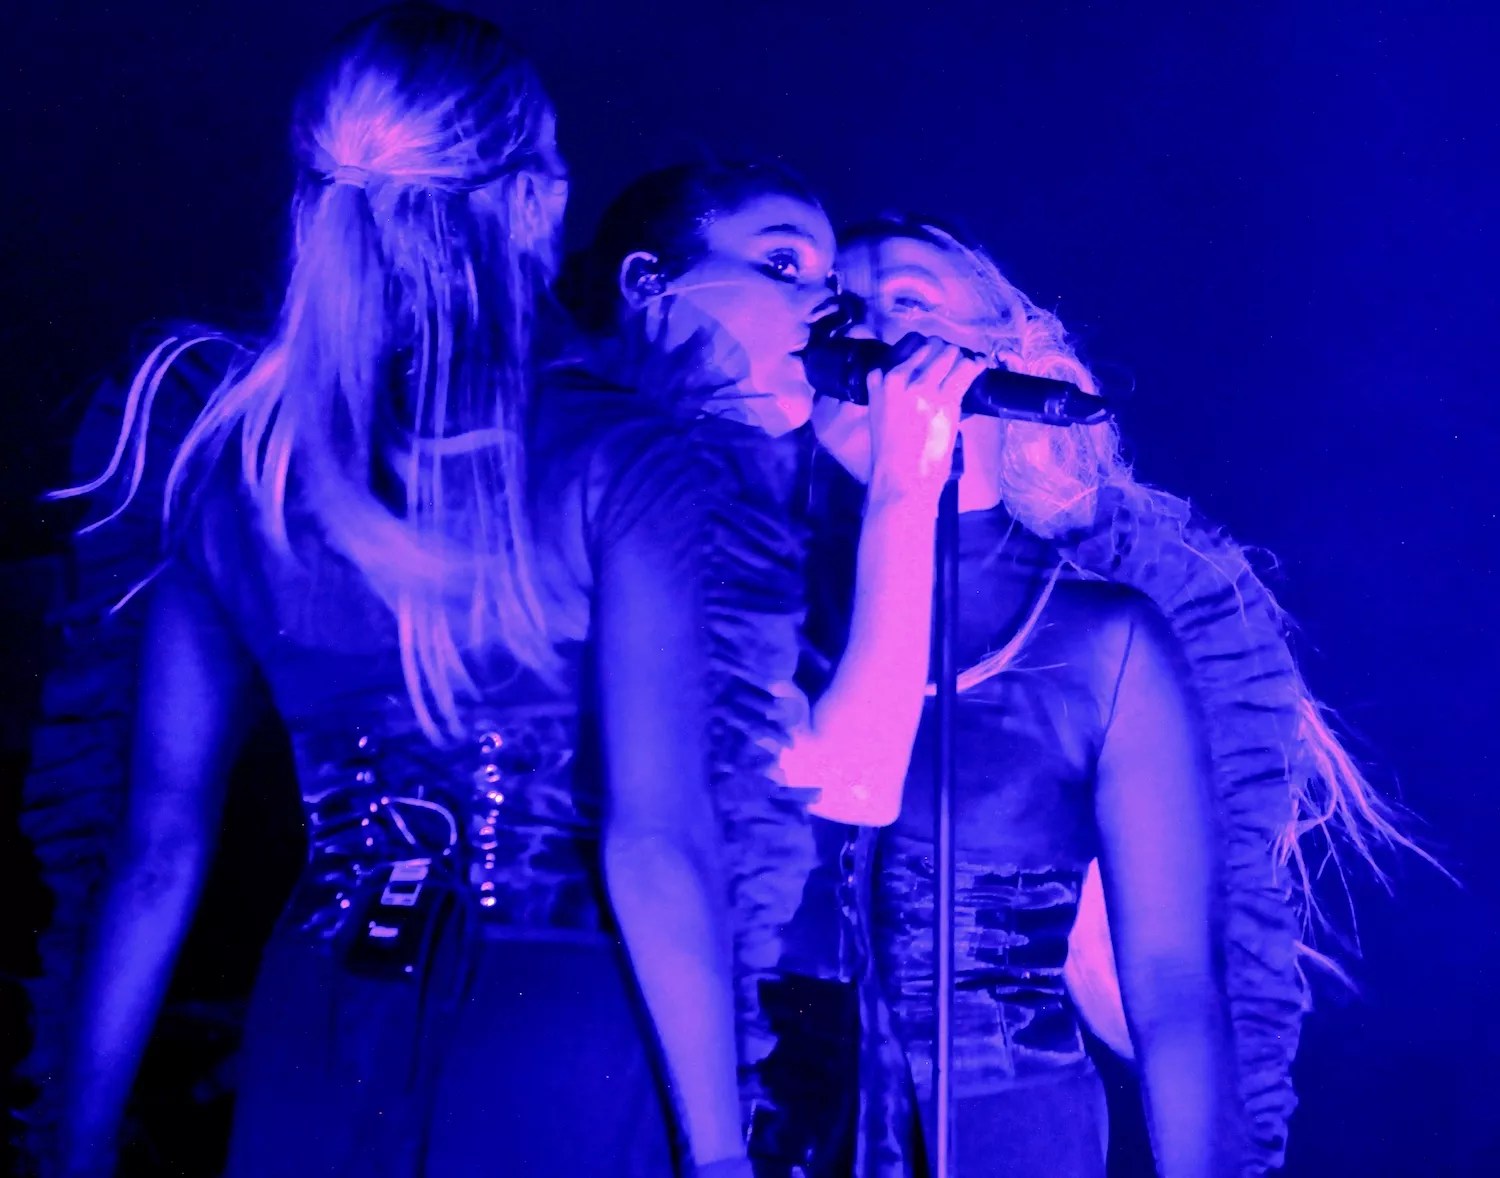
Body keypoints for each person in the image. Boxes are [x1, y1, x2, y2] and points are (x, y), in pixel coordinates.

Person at [44, 6, 745, 1175]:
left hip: (317, 1023)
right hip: (558, 1022)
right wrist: (721, 1157)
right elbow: (657, 842)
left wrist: (73, 1145)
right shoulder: (622, 461)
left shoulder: (236, 475)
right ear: (534, 199)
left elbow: (157, 852)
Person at [805, 217, 1422, 1177]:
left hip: (1005, 1132)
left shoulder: (1108, 632)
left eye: (911, 304)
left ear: (1007, 361)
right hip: (784, 1128)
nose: (873, 337)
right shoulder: (757, 597)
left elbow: (1178, 990)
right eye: (842, 308)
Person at [557, 166, 984, 1178]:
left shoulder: (720, 493)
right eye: (784, 264)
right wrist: (908, 483)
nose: (826, 308)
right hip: (616, 1022)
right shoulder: (648, 482)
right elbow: (849, 779)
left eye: (828, 282)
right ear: (648, 282)